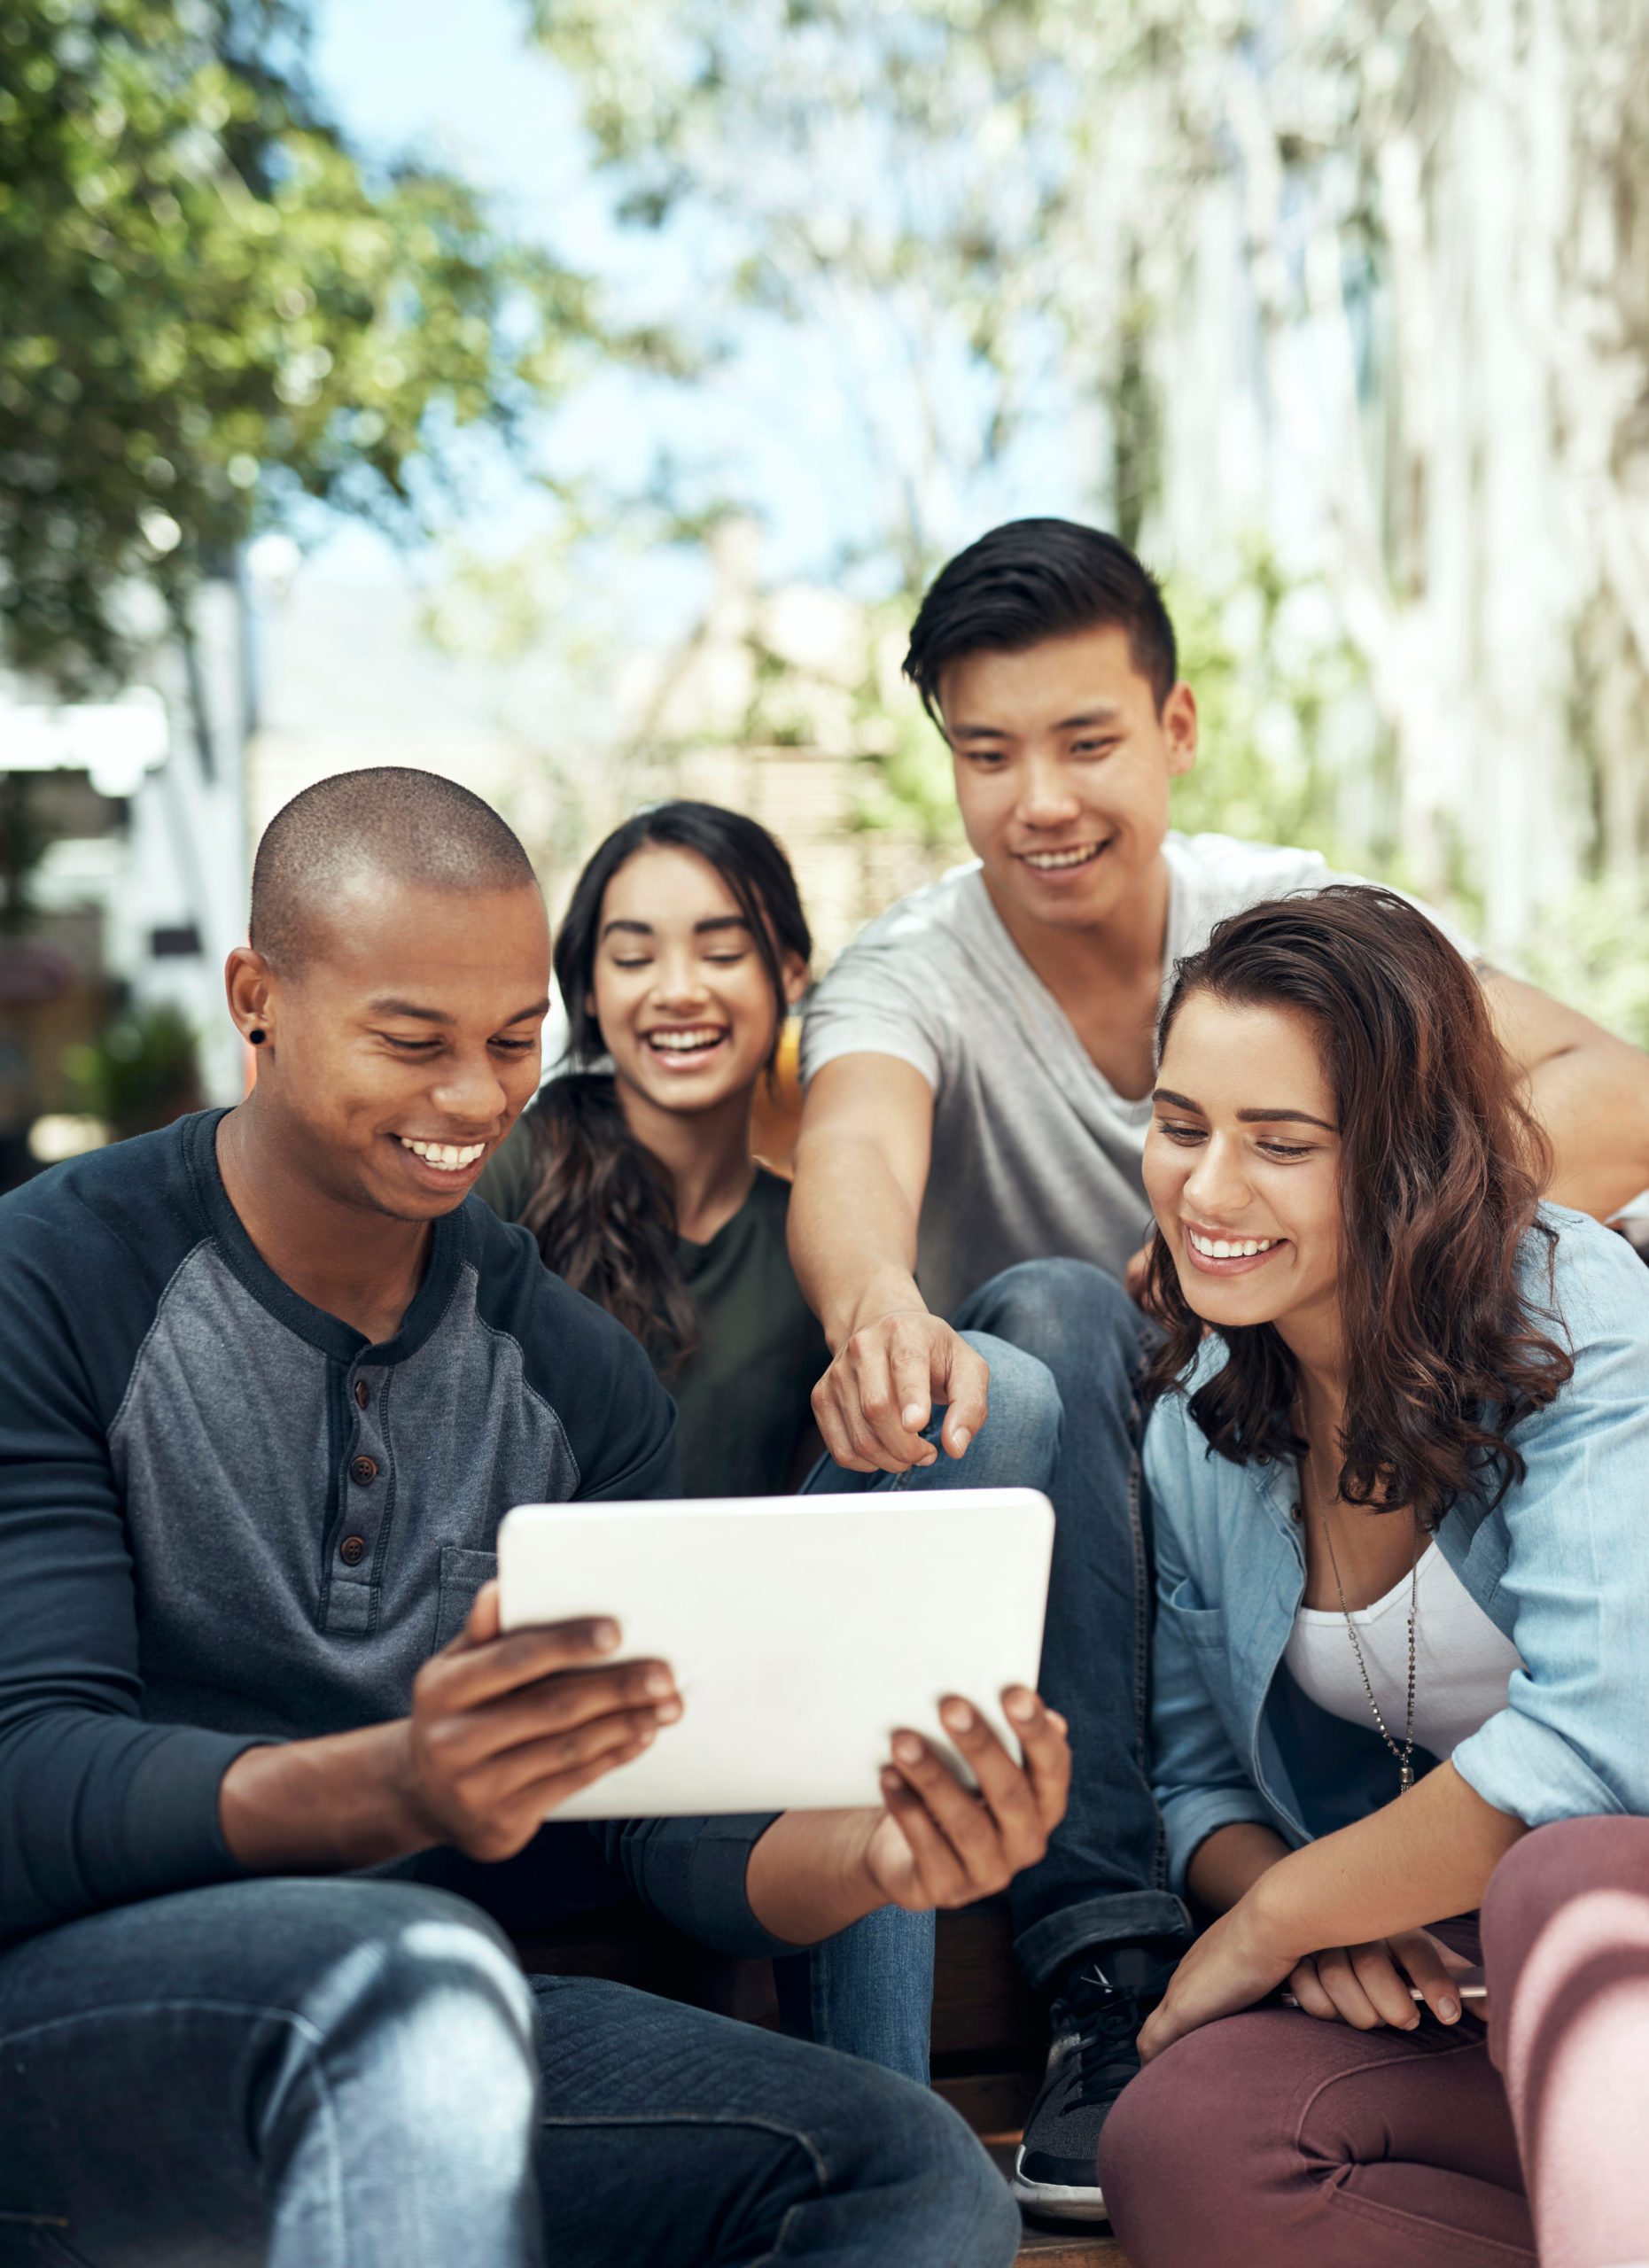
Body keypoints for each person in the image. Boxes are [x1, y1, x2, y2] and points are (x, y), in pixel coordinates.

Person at [0, 766, 1074, 2268]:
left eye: (512, 1043)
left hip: (445, 2041)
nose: (472, 1098)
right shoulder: (52, 1279)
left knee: (906, 2176)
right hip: (82, 2028)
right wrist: (402, 1783)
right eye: (410, 1041)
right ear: (256, 996)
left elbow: (661, 1826)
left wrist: (877, 1851)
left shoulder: (573, 1377)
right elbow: (25, 1773)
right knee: (417, 1979)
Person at [786, 517, 1649, 2218]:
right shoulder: (919, 973)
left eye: (1085, 739)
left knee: (1568, 1908)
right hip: (1139, 1450)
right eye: (986, 751)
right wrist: (881, 1304)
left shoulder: (1308, 933)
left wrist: (1375, 1227)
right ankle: (1103, 1962)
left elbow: (1616, 1088)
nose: (1040, 795)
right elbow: (849, 1155)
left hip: (1534, 1780)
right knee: (1048, 1310)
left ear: (1172, 732)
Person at [1090, 885, 1649, 2268]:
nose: (1206, 1191)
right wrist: (1307, 1896)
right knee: (1186, 2134)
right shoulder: (1198, 1418)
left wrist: (1289, 1911)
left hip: (1604, 1963)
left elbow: (1604, 1741)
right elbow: (1194, 1780)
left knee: (1558, 1882)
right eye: (1178, 1127)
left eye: (1278, 1143)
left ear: (1404, 1155)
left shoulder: (1575, 1313)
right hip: (1477, 2010)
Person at [478, 798, 1064, 2084]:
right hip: (549, 1704)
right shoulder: (510, 1181)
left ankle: (890, 2111)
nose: (675, 990)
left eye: (718, 947)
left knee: (1004, 1391)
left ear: (790, 973)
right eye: (631, 955)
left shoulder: (820, 1240)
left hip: (754, 1737)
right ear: (585, 988)